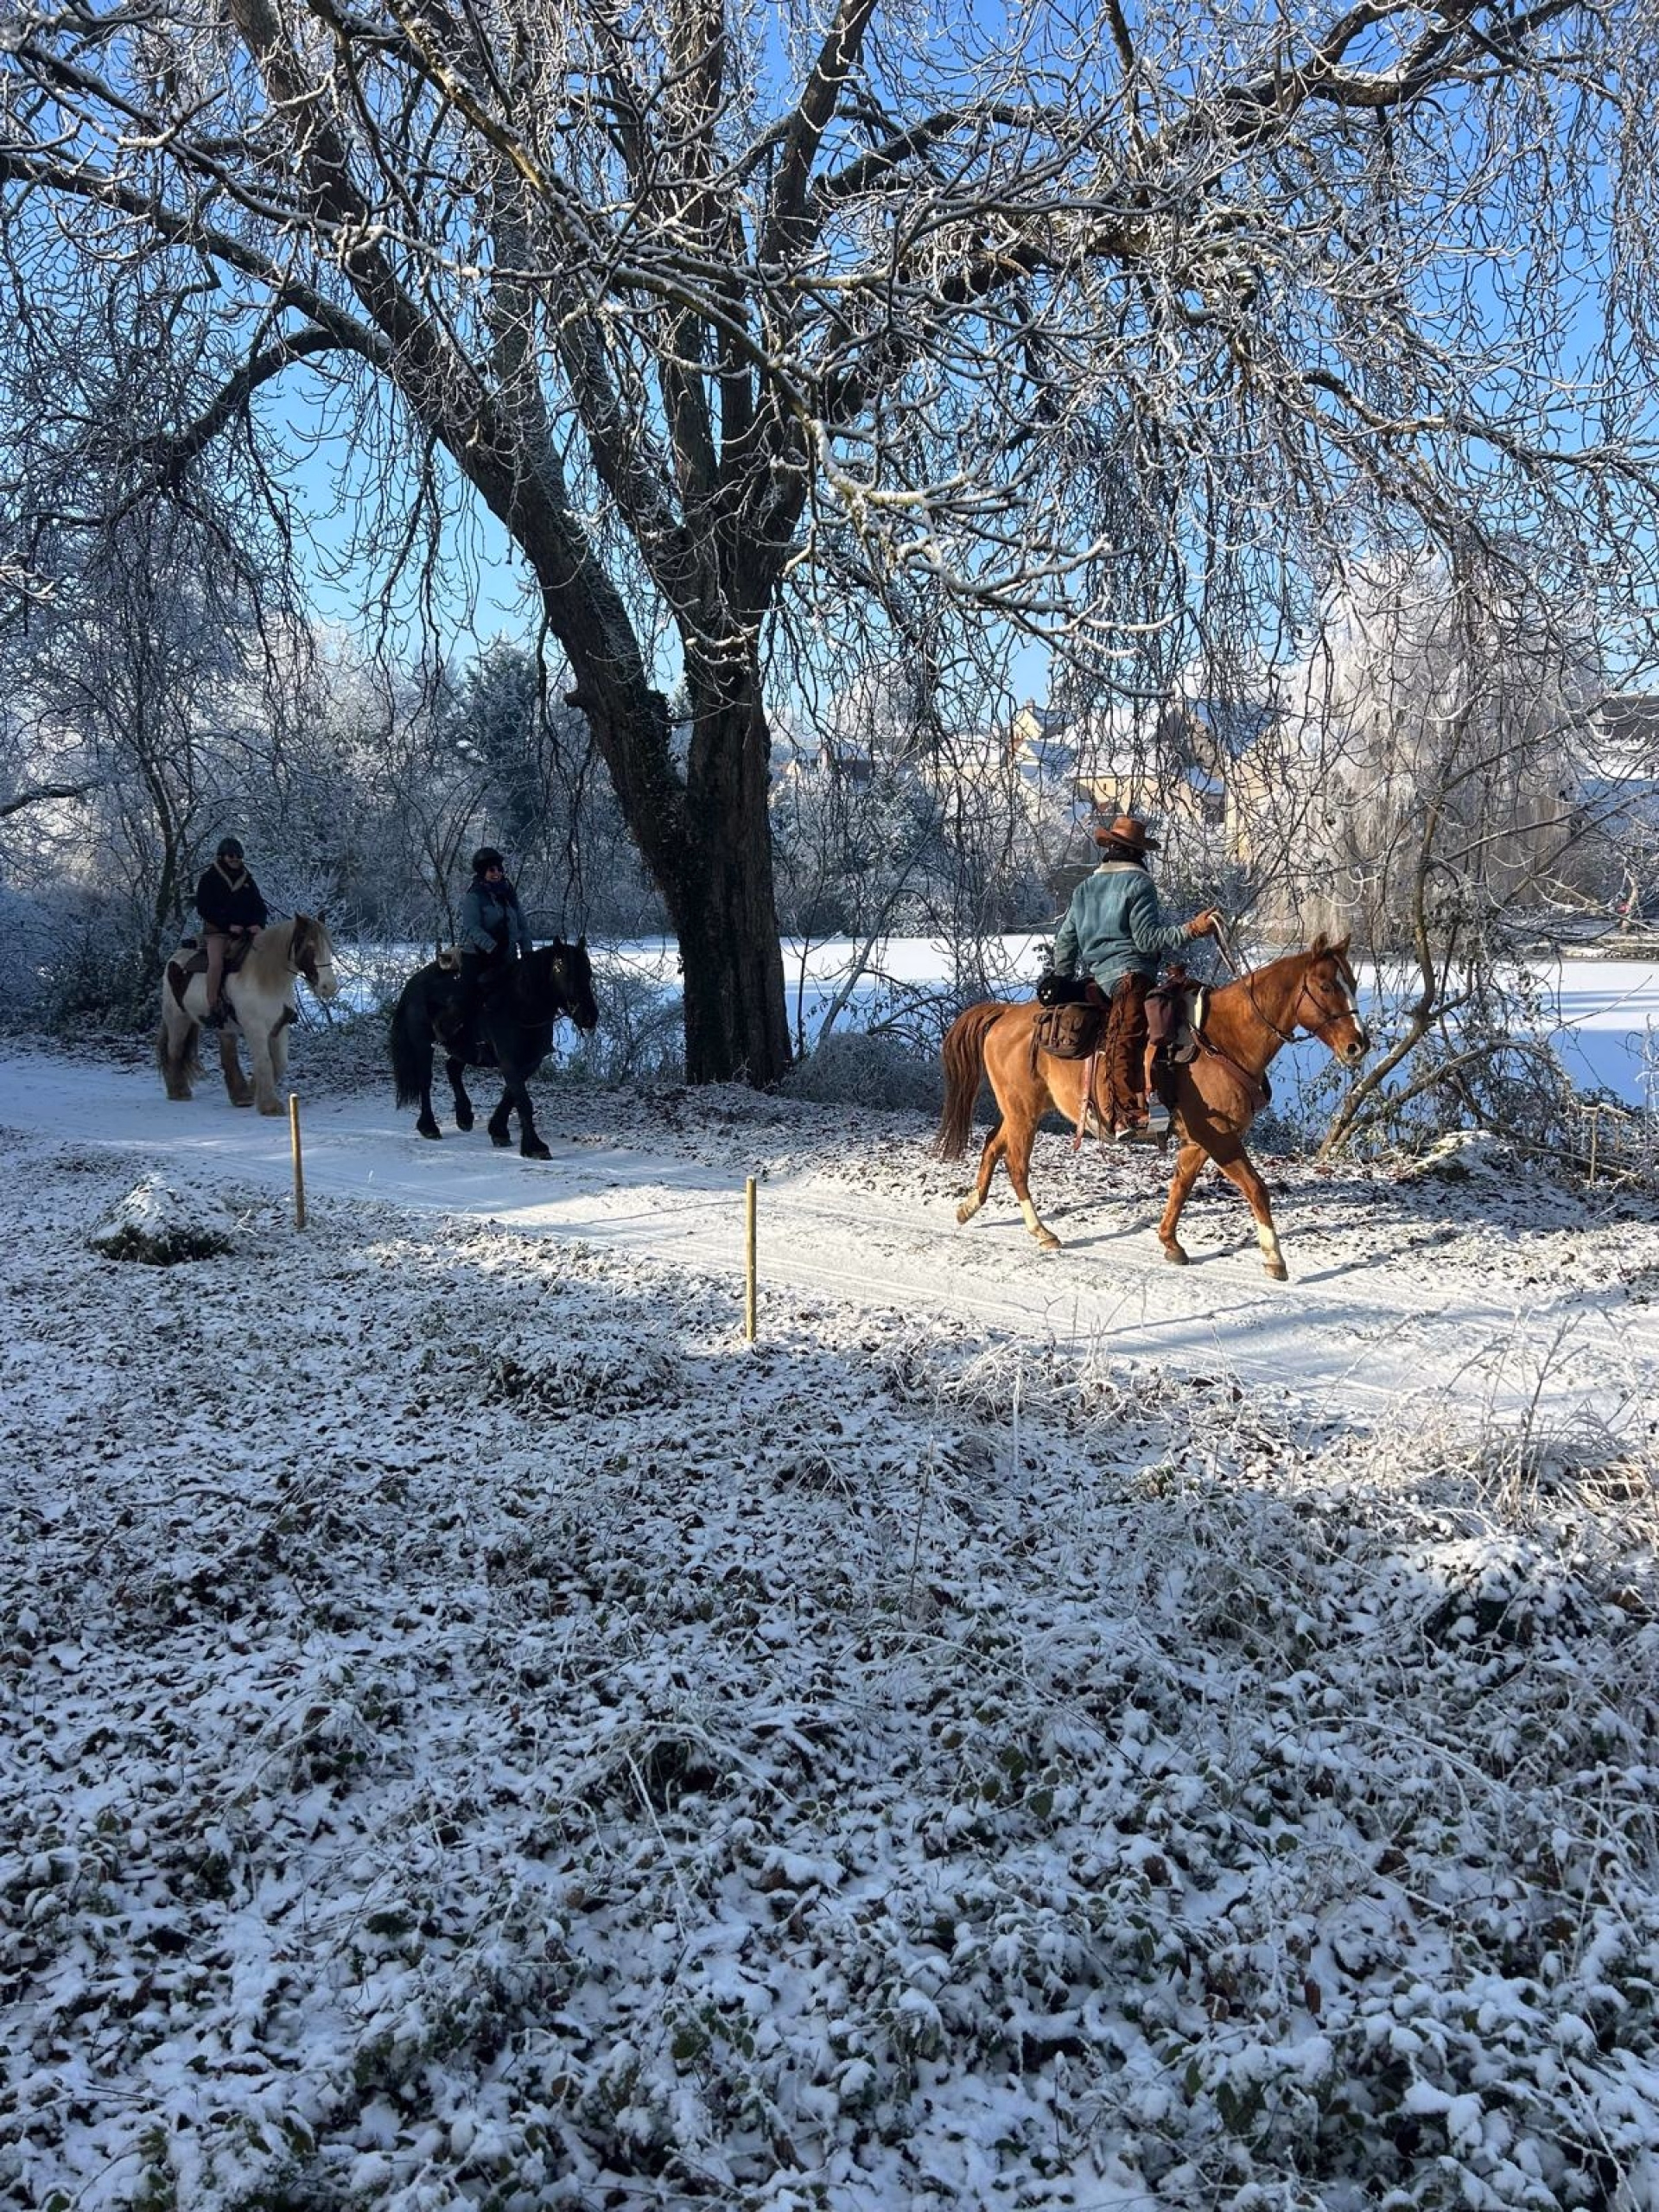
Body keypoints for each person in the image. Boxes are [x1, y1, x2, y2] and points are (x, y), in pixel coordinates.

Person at [1051, 815, 1220, 1137]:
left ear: (1110, 850)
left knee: (1121, 1033)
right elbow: (1147, 940)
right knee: (1127, 1038)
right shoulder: (1139, 884)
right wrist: (1192, 930)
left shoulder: (1084, 889)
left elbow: (1065, 943)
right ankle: (1125, 1113)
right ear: (1137, 854)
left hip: (1096, 979)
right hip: (1131, 975)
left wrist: (1062, 981)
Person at [443, 846, 531, 1056]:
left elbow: (522, 925)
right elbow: (472, 927)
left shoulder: (509, 894)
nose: (496, 873)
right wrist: (492, 947)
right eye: (491, 870)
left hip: (507, 956)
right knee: (468, 994)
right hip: (478, 955)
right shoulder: (474, 896)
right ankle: (457, 1037)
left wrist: (527, 952)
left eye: (499, 869)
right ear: (483, 872)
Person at [194, 836, 269, 1026]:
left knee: (270, 955)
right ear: (222, 857)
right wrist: (227, 925)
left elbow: (259, 906)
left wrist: (258, 923)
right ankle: (213, 1007)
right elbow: (204, 908)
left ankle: (273, 1002)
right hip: (218, 932)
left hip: (246, 932)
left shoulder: (248, 879)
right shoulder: (209, 878)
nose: (235, 859)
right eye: (231, 855)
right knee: (217, 964)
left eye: (238, 855)